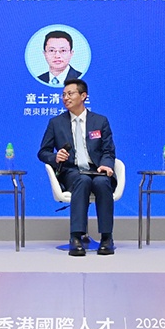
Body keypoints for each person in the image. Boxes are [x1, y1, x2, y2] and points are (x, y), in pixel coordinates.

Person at [38, 79, 117, 256]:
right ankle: (75, 237)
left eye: (70, 94)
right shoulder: (56, 123)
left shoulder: (100, 121)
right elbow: (43, 152)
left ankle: (107, 237)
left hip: (96, 170)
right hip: (71, 171)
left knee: (102, 182)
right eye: (63, 95)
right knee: (82, 180)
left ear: (83, 96)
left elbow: (108, 150)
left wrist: (106, 165)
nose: (65, 98)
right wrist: (55, 157)